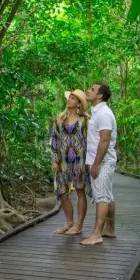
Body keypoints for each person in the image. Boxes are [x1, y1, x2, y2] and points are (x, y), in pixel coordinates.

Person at [80, 81, 118, 246]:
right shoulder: (98, 112)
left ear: (100, 95)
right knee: (108, 196)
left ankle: (96, 234)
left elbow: (105, 140)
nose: (88, 91)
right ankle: (109, 229)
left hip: (102, 162)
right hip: (103, 161)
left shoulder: (103, 113)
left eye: (92, 89)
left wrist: (96, 164)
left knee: (102, 197)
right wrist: (86, 116)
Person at [50, 89, 90, 235]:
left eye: (73, 98)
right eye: (69, 97)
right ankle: (69, 223)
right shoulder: (59, 119)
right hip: (63, 161)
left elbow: (90, 141)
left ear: (79, 103)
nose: (69, 100)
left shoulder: (85, 120)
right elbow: (54, 140)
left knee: (80, 191)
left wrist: (90, 161)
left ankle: (78, 226)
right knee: (62, 192)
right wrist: (55, 160)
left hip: (80, 160)